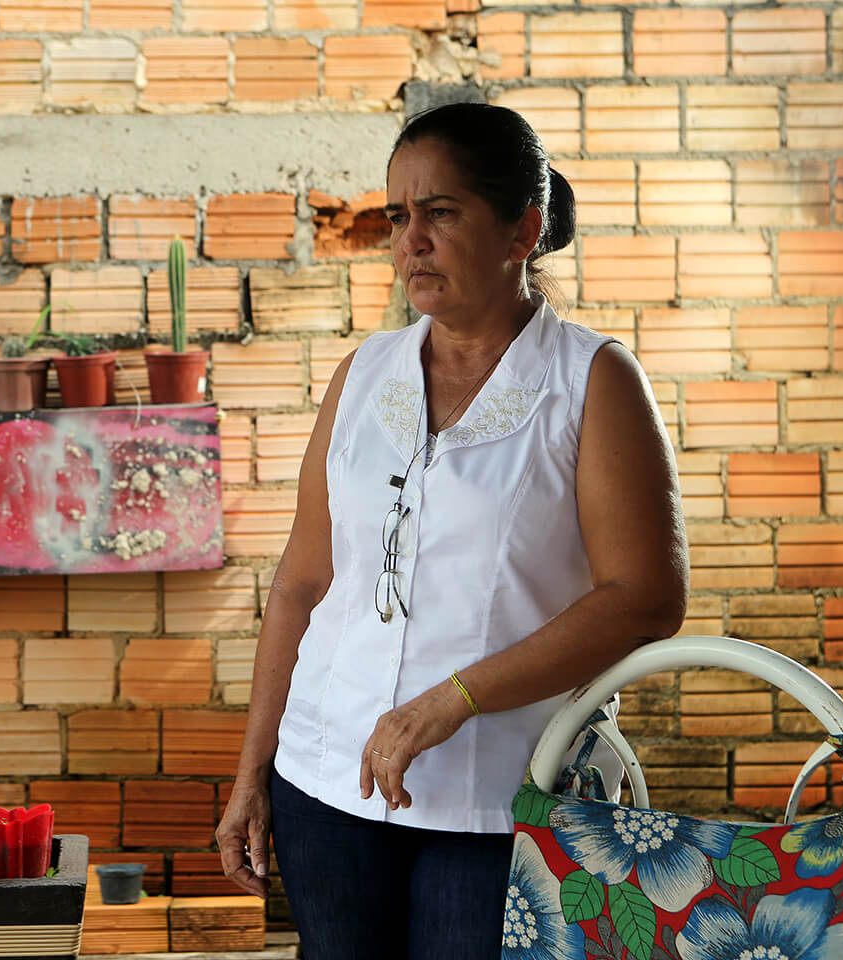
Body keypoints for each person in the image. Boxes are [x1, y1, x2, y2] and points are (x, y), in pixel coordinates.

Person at [215, 102, 690, 959]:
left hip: (501, 795)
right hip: (324, 778)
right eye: (399, 217)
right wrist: (252, 774)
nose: (412, 241)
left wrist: (451, 700)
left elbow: (644, 600)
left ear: (522, 231)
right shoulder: (364, 375)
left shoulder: (592, 381)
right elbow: (301, 584)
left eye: (440, 212)